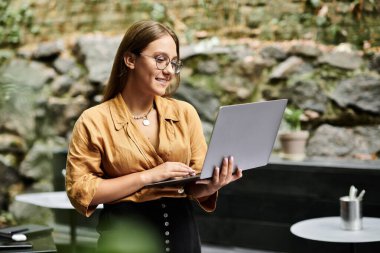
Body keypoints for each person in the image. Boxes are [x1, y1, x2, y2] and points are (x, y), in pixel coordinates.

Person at [65, 20, 243, 253]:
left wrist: (212, 185)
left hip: (184, 240)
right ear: (130, 59)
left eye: (174, 63)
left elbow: (193, 188)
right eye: (160, 59)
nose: (169, 70)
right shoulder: (94, 120)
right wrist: (148, 177)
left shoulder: (185, 113)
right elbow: (81, 191)